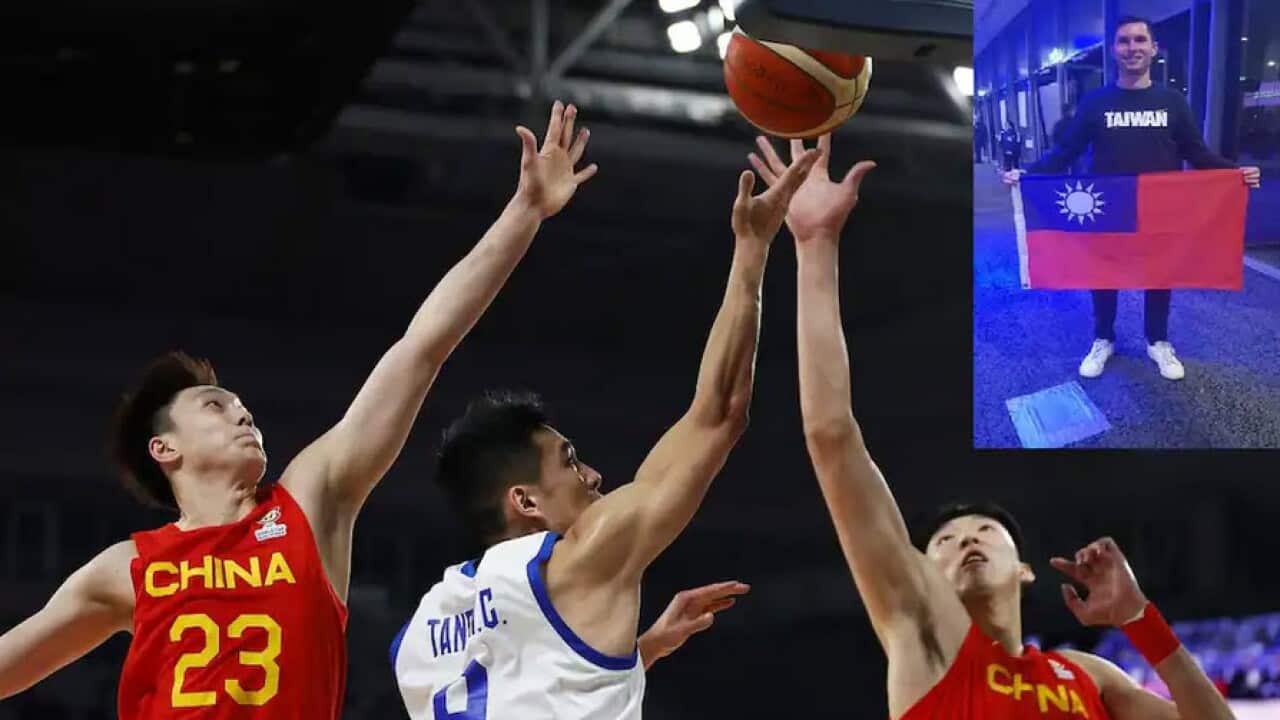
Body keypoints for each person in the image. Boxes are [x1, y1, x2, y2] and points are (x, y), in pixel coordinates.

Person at [0, 100, 599, 719]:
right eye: (215, 405)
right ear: (165, 449)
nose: (242, 414)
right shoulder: (127, 569)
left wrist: (523, 213)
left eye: (242, 406)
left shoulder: (310, 503)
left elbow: (421, 349)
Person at [751, 131, 1239, 719]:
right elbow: (831, 436)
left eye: (982, 532)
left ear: (1025, 569)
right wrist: (815, 245)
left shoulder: (1086, 675)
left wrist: (1140, 620)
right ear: (921, 574)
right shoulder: (919, 641)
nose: (966, 541)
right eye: (946, 543)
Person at [392, 140, 824, 719]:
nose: (594, 475)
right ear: (525, 500)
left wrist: (634, 655)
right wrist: (752, 248)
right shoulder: (582, 561)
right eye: (569, 461)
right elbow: (719, 414)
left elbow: (522, 688)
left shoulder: (426, 624)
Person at [1003, 16, 1261, 381]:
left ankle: (1157, 341)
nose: (1132, 47)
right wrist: (1027, 174)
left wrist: (1235, 173)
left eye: (1140, 40)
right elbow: (1066, 151)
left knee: (1160, 273)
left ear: (1154, 48)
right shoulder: (1096, 103)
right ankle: (1103, 338)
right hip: (1108, 206)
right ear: (1114, 50)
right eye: (1124, 41)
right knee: (1102, 273)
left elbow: (1196, 152)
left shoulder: (1172, 102)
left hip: (1160, 208)